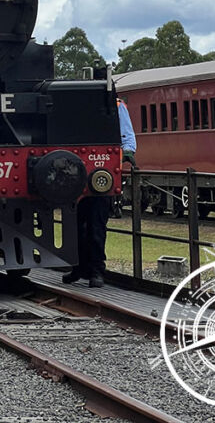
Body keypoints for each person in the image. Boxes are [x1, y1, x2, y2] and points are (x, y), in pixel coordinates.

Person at [63, 94, 138, 288]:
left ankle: (97, 270)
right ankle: (79, 266)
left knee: (96, 226)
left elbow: (127, 136)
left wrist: (127, 153)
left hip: (101, 173)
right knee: (75, 225)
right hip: (76, 173)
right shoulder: (77, 103)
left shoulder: (117, 106)